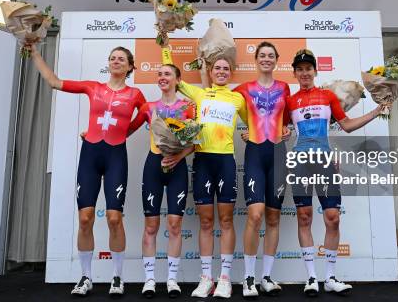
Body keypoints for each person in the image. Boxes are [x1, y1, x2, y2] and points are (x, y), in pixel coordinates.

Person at [26, 43, 145, 296]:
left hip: (115, 157)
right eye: (112, 58)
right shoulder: (93, 87)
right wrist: (35, 52)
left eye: (121, 59)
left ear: (130, 66)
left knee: (114, 218)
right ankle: (85, 276)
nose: (115, 61)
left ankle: (117, 277)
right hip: (90, 155)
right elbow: (54, 82)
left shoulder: (135, 94)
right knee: (85, 218)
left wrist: (125, 132)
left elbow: (147, 115)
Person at [287, 49, 385, 296]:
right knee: (305, 217)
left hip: (324, 161)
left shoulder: (327, 96)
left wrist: (376, 111)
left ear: (315, 71)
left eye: (308, 68)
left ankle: (330, 277)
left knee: (333, 217)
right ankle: (311, 278)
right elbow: (280, 130)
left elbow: (347, 126)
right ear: (295, 73)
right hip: (300, 161)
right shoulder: (289, 101)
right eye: (300, 69)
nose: (304, 73)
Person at [161, 42, 246, 299]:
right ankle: (207, 277)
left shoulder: (238, 97)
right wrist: (165, 47)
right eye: (217, 68)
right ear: (210, 72)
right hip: (202, 161)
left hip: (226, 163)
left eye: (225, 69)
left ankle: (225, 279)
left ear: (230, 73)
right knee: (206, 221)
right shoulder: (199, 94)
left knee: (227, 219)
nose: (221, 71)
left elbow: (257, 123)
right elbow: (173, 76)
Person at [127, 64, 196, 298]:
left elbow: (195, 142)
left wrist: (178, 156)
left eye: (167, 74)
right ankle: (149, 280)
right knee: (151, 225)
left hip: (177, 167)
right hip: (153, 166)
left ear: (177, 79)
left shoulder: (187, 107)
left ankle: (172, 280)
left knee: (175, 224)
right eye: (160, 74)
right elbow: (127, 130)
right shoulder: (149, 107)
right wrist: (96, 135)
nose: (162, 77)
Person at [232, 42, 291, 297]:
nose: (266, 59)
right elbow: (221, 103)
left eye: (270, 56)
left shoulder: (285, 87)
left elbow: (287, 118)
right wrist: (245, 130)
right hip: (255, 153)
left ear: (276, 60)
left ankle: (266, 276)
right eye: (262, 55)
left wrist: (287, 129)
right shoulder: (244, 89)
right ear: (256, 60)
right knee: (255, 215)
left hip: (278, 154)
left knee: (274, 217)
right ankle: (248, 278)